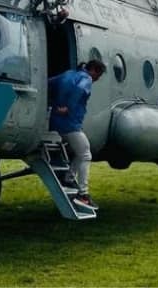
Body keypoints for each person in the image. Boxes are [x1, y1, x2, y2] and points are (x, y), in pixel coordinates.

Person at [47, 59, 106, 209]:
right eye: (98, 76)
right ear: (94, 70)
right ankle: (83, 195)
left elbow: (48, 83)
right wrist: (68, 107)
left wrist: (53, 106)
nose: (97, 79)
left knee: (81, 153)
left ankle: (69, 177)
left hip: (56, 123)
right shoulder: (85, 79)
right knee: (86, 154)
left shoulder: (67, 74)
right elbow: (80, 90)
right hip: (70, 124)